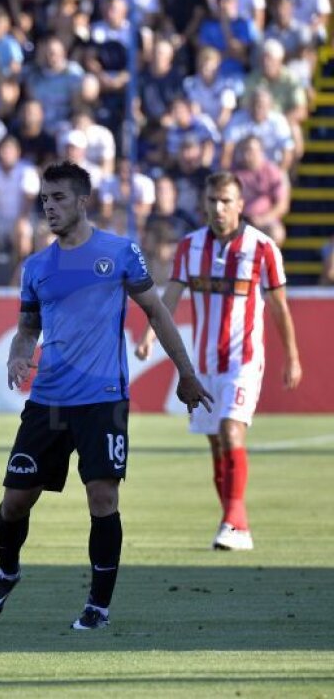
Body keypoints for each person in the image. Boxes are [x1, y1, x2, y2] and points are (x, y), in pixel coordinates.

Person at [0, 162, 213, 632]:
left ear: (83, 201)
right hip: (47, 401)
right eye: (45, 199)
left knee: (102, 499)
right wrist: (15, 356)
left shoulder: (119, 251)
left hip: (102, 398)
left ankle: (97, 607)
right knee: (15, 502)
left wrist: (186, 374)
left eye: (59, 198)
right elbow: (27, 330)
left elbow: (158, 314)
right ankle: (7, 572)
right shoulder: (36, 267)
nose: (49, 206)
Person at [136, 171, 301, 551]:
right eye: (212, 200)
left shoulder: (262, 248)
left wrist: (291, 356)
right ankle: (231, 521)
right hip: (204, 364)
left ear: (240, 205)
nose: (219, 208)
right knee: (215, 444)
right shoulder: (190, 247)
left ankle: (234, 521)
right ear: (204, 204)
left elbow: (279, 308)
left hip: (244, 361)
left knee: (231, 431)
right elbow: (171, 297)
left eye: (226, 200)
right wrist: (149, 335)